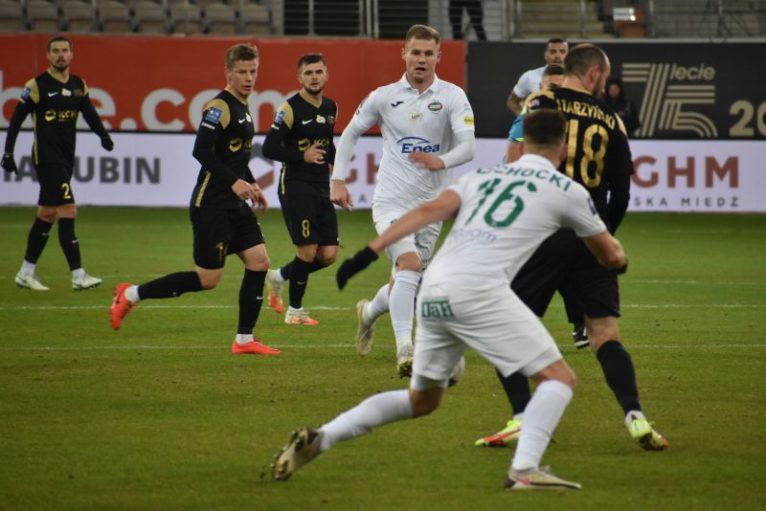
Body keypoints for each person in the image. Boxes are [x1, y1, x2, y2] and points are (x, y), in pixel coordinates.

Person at [271, 109, 628, 490]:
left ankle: (322, 437)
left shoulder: (483, 177)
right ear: (565, 147)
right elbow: (609, 254)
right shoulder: (568, 190)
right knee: (559, 379)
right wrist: (619, 260)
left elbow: (428, 211)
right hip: (481, 292)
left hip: (434, 289)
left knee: (421, 401)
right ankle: (524, 470)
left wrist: (368, 253)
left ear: (522, 144)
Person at [476, 43, 669, 452]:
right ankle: (635, 416)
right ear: (595, 73)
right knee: (605, 335)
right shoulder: (612, 120)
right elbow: (621, 192)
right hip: (590, 231)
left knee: (503, 328)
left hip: (540, 231)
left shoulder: (542, 102)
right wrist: (603, 234)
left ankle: (520, 417)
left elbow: (518, 159)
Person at [109, 43, 279, 356]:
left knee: (260, 261)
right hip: (211, 204)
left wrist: (252, 183)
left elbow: (234, 156)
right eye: (242, 72)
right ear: (228, 73)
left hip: (235, 205)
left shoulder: (243, 107)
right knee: (208, 279)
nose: (249, 78)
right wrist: (235, 182)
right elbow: (201, 150)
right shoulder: (220, 107)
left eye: (253, 71)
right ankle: (130, 294)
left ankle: (244, 340)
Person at [330, 24, 476, 378]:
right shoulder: (384, 97)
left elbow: (468, 147)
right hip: (391, 202)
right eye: (415, 52)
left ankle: (368, 313)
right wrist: (338, 179)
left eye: (428, 53)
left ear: (438, 56)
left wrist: (441, 160)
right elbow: (350, 133)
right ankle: (405, 351)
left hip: (431, 207)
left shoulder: (453, 96)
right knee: (409, 265)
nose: (421, 59)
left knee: (407, 281)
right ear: (404, 54)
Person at [2, 36, 113, 291]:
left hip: (65, 158)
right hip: (46, 157)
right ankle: (78, 275)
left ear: (72, 55)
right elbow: (16, 119)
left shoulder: (78, 85)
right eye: (56, 51)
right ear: (48, 55)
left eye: (64, 50)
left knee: (47, 213)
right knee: (68, 209)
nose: (60, 54)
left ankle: (25, 272)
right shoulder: (37, 85)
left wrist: (103, 136)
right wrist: (8, 153)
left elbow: (89, 113)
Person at [262, 53, 339, 326]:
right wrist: (301, 155)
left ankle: (279, 276)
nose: (314, 77)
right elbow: (269, 147)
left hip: (321, 187)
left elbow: (329, 144)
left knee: (328, 254)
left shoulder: (331, 107)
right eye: (309, 73)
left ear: (326, 75)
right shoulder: (290, 109)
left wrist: (338, 177)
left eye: (318, 72)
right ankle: (294, 311)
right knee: (307, 250)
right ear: (300, 77)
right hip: (295, 185)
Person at [505, 64, 564, 164]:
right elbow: (514, 149)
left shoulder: (575, 113)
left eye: (562, 89)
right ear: (540, 87)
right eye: (552, 87)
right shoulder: (528, 117)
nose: (557, 93)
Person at [506, 37, 568, 115]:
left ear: (568, 55)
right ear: (545, 55)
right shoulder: (530, 76)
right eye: (553, 51)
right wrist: (527, 119)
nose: (558, 56)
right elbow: (512, 102)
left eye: (562, 52)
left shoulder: (577, 78)